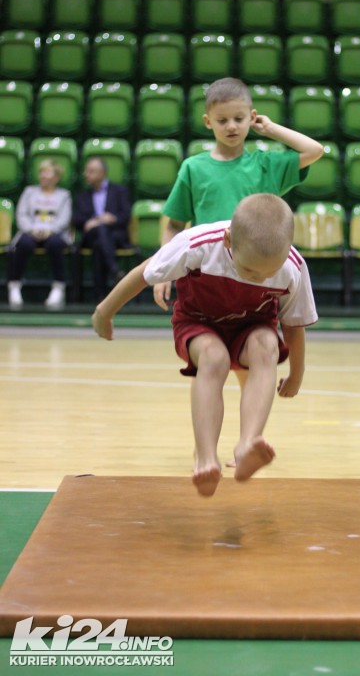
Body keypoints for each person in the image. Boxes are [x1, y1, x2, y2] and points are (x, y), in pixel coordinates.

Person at [92, 193, 318, 497]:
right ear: (228, 241)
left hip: (251, 326)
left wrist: (296, 374)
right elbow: (144, 274)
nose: (261, 279)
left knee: (267, 345)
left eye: (269, 273)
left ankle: (248, 443)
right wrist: (104, 312)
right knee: (214, 359)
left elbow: (293, 327)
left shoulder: (292, 267)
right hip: (199, 322)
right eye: (251, 271)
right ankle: (207, 458)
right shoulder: (198, 244)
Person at [153, 77, 324, 311]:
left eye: (239, 118)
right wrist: (164, 269)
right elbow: (174, 225)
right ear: (208, 121)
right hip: (206, 276)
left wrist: (270, 128)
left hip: (256, 278)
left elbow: (315, 150)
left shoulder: (266, 165)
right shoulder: (193, 168)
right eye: (222, 120)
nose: (231, 126)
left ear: (252, 118)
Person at [8, 159, 72, 309]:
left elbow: (65, 218)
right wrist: (31, 229)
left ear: (56, 177)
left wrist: (50, 230)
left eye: (47, 173)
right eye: (42, 172)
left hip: (54, 233)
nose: (43, 176)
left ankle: (58, 286)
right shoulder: (29, 192)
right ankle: (15, 285)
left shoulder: (64, 195)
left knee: (55, 244)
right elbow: (21, 214)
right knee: (24, 243)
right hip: (31, 232)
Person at [73, 157, 131, 302]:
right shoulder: (82, 196)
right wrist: (92, 222)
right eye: (86, 171)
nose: (87, 174)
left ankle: (100, 296)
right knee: (100, 232)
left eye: (91, 171)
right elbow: (77, 219)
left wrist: (113, 218)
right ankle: (114, 270)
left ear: (103, 173)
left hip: (115, 234)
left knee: (100, 240)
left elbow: (126, 216)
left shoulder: (119, 191)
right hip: (90, 236)